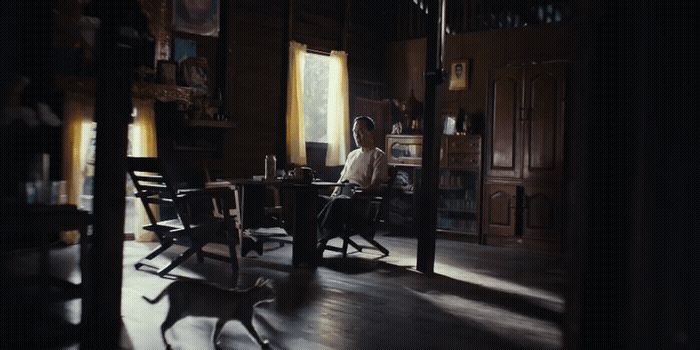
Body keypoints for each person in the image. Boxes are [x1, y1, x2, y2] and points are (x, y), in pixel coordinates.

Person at [317, 116, 389, 242]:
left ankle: (318, 240)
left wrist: (357, 193)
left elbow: (375, 186)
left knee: (337, 203)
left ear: (371, 132)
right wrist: (332, 192)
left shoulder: (378, 155)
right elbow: (341, 179)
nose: (356, 135)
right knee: (314, 200)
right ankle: (311, 239)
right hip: (340, 195)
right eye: (354, 132)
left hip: (358, 202)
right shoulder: (352, 155)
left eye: (360, 131)